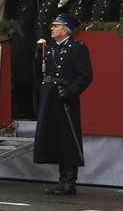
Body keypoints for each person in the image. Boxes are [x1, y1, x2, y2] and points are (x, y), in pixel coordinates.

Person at [34, 14, 93, 195]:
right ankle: (61, 180)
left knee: (68, 137)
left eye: (56, 26)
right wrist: (38, 56)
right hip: (49, 95)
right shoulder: (50, 48)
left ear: (65, 29)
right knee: (55, 137)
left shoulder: (77, 48)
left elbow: (85, 75)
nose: (52, 29)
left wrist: (69, 92)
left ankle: (70, 180)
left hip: (64, 97)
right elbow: (39, 74)